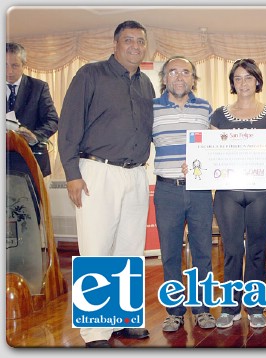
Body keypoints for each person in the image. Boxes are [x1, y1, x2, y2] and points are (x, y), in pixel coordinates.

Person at [58, 20, 155, 348]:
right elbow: (69, 124)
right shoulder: (90, 75)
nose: (135, 46)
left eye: (140, 41)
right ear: (115, 45)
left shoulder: (146, 86)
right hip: (96, 173)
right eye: (128, 40)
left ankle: (125, 319)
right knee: (97, 250)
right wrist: (72, 173)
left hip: (136, 174)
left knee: (129, 250)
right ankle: (96, 331)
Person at [210, 58, 266, 329]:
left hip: (262, 193)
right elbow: (211, 155)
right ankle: (230, 308)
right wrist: (196, 166)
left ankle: (254, 306)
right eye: (238, 78)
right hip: (228, 193)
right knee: (231, 250)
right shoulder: (218, 115)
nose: (243, 83)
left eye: (248, 77)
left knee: (255, 250)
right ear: (232, 83)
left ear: (257, 81)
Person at [152, 55, 216, 332]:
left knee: (203, 251)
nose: (179, 77)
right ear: (164, 78)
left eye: (185, 72)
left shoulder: (205, 108)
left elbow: (215, 147)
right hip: (167, 189)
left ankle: (202, 308)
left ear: (193, 78)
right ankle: (175, 311)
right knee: (169, 253)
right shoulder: (151, 108)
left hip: (200, 191)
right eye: (173, 72)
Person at [6, 42, 59, 177]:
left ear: (24, 65)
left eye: (15, 65)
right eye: (4, 65)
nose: (9, 71)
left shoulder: (38, 87)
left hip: (32, 162)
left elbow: (52, 120)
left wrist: (34, 136)